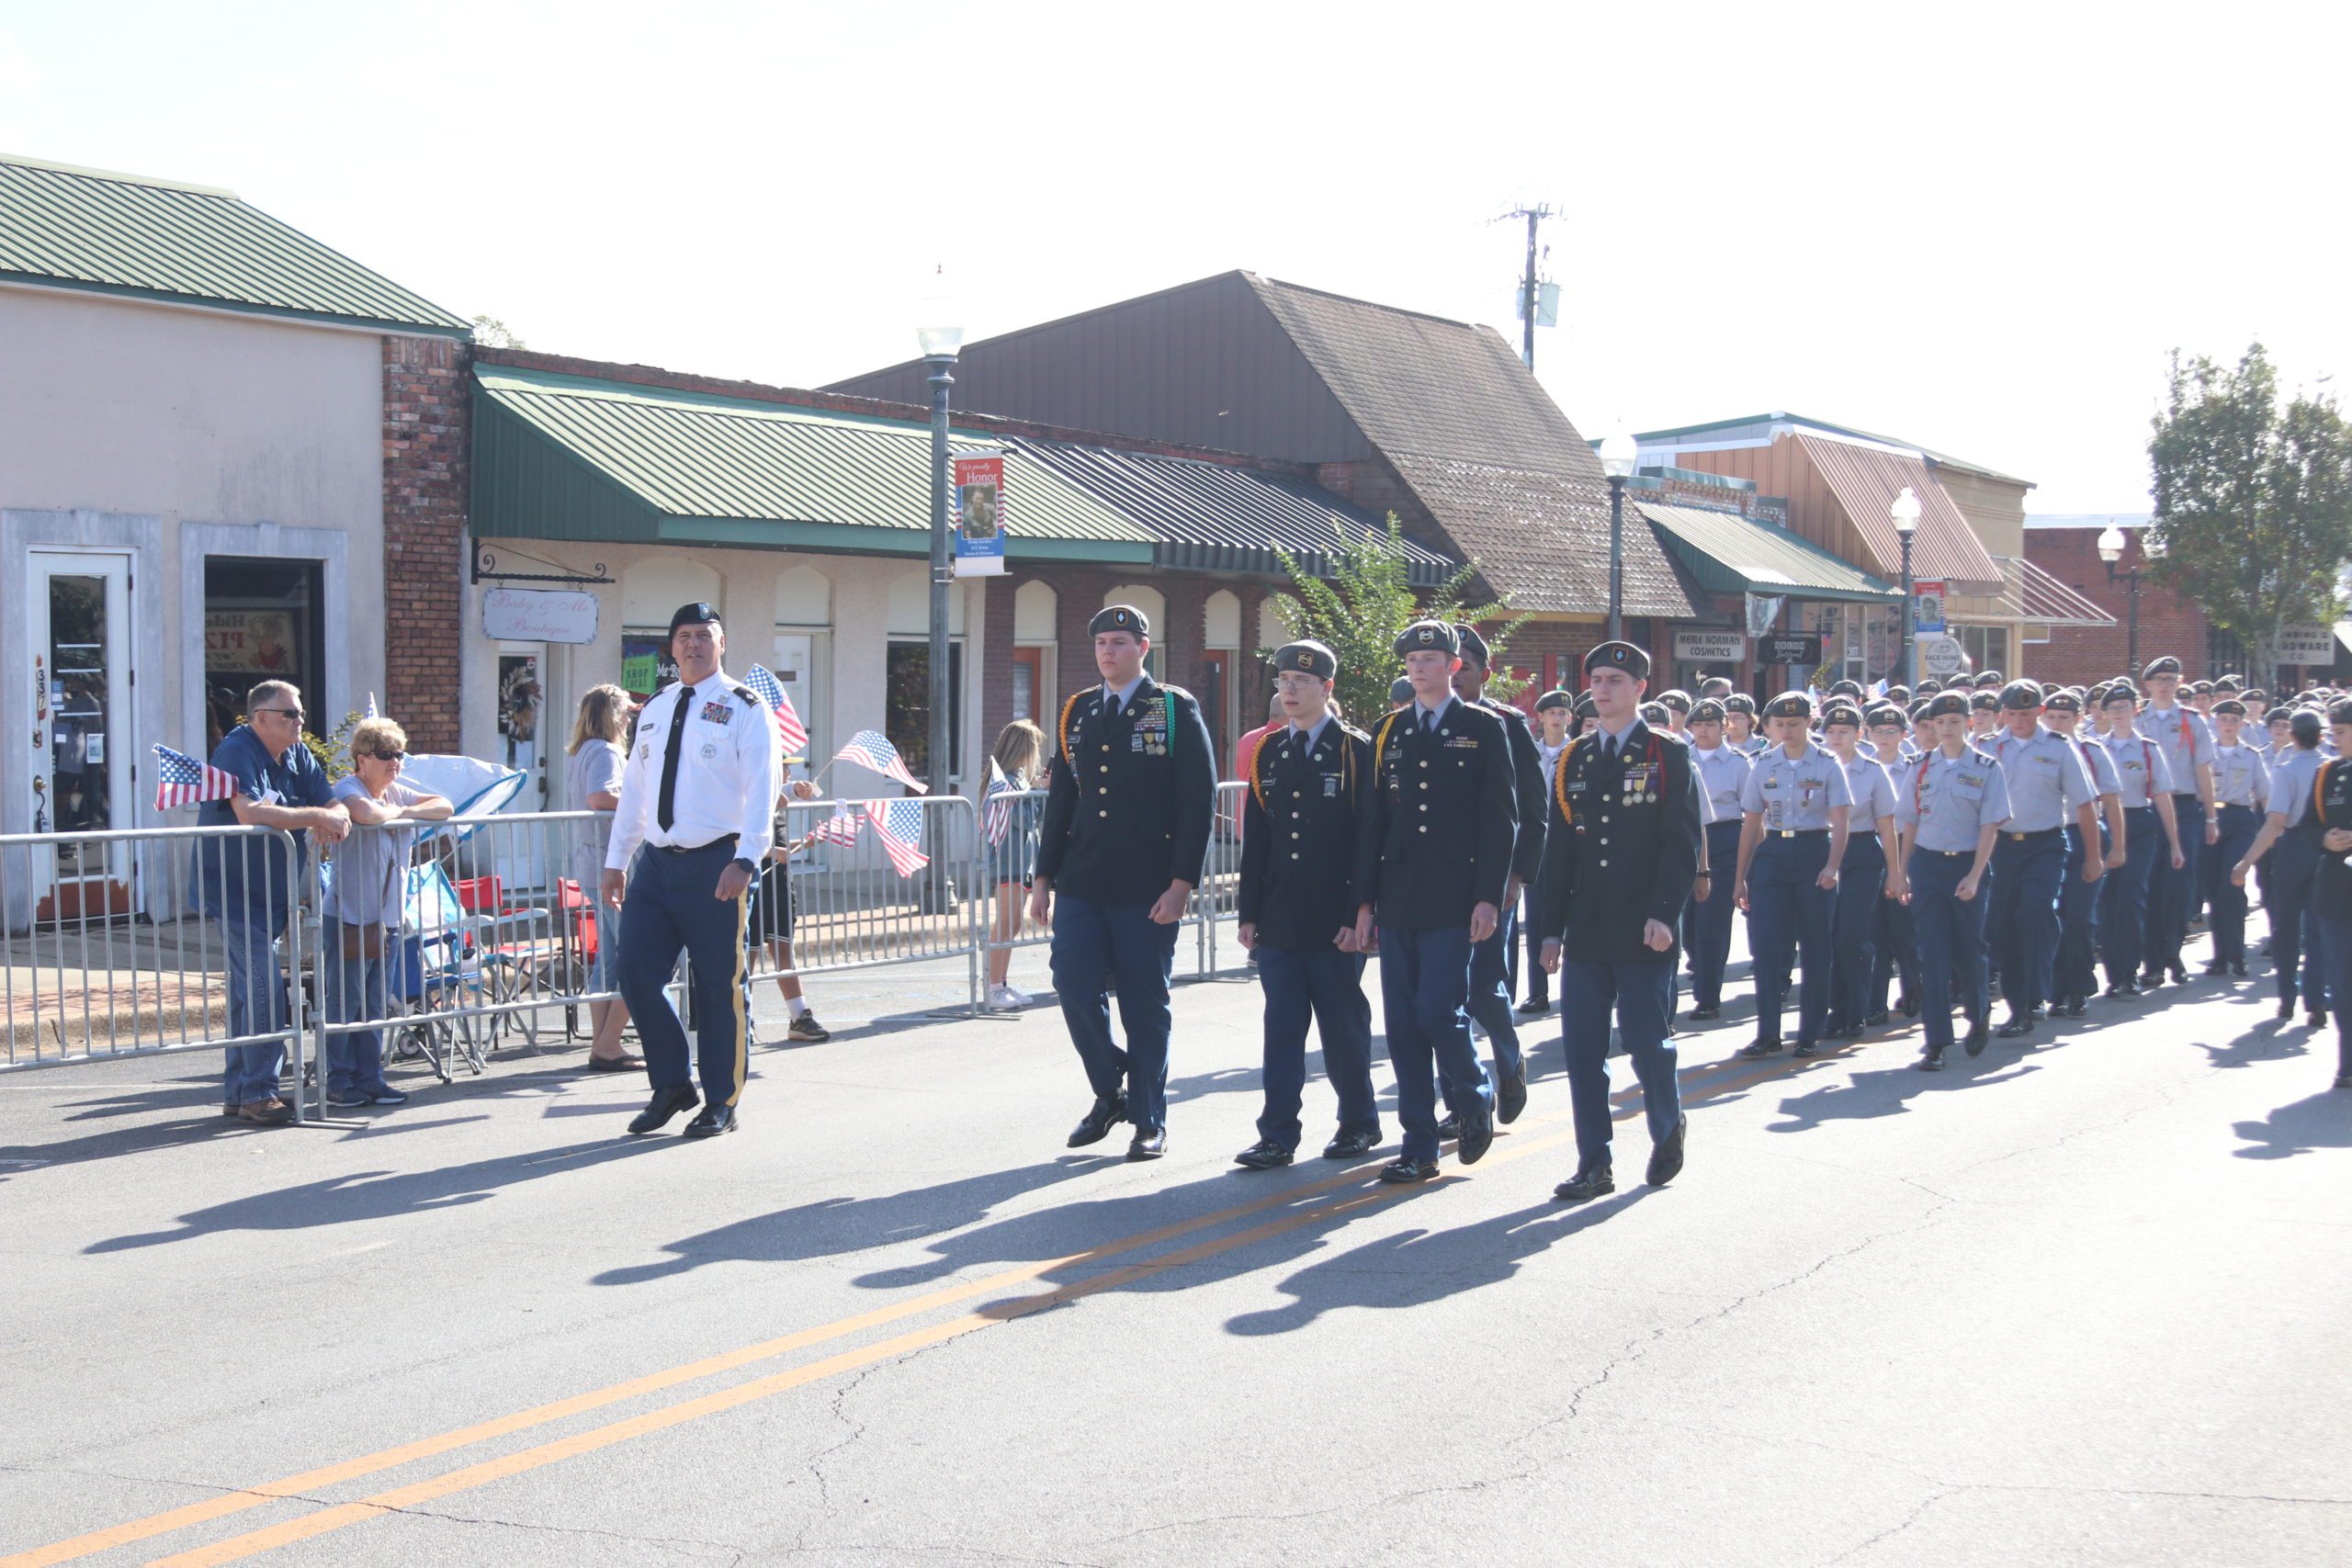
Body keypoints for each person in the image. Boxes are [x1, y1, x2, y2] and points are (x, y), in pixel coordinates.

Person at [1030, 604, 1216, 1160]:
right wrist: (1042, 878)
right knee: (1072, 983)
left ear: (1143, 647)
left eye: (1119, 642)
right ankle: (1112, 1089)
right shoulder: (1079, 710)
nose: (1108, 651)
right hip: (1083, 878)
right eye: (1101, 643)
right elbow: (1062, 800)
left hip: (1148, 882)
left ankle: (1148, 1118)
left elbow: (1197, 803)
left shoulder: (1174, 708)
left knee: (1143, 1003)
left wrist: (1183, 882)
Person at [602, 602, 784, 1139]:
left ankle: (721, 1100)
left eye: (704, 635)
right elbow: (635, 791)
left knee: (717, 987)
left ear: (722, 643)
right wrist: (617, 861)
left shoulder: (746, 707)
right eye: (684, 637)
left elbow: (762, 792)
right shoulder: (655, 706)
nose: (693, 645)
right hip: (656, 865)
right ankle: (672, 1084)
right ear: (672, 647)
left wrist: (746, 860)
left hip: (716, 863)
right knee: (635, 972)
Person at [1353, 620, 1514, 1184]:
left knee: (1437, 1014)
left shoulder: (1482, 727)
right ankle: (1419, 1145)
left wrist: (1489, 898)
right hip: (1399, 896)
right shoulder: (1390, 731)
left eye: (1432, 658)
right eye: (1413, 659)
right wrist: (1365, 904)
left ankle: (1473, 1096)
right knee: (1401, 1028)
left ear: (1454, 666)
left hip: (1455, 895)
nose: (1420, 667)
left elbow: (1500, 821)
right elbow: (1375, 823)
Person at [1539, 639, 1700, 1201]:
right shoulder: (1574, 759)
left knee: (1646, 1042)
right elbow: (1558, 851)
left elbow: (1681, 847)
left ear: (1639, 689)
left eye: (1614, 680)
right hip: (1587, 925)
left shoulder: (1666, 754)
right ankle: (1594, 1163)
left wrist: (1664, 915)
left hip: (1641, 925)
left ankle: (1667, 1124)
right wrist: (1550, 929)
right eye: (1596, 679)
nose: (1602, 690)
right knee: (1582, 1050)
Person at [1232, 640, 1380, 1168]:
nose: (1289, 690)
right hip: (1281, 914)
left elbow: (1368, 840)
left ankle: (1359, 1122)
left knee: (1342, 1027)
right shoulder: (1270, 750)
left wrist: (1358, 912)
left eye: (1301, 681)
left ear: (1327, 688)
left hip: (1333, 916)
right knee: (1283, 1029)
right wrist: (1249, 912)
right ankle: (1277, 1134)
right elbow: (1261, 838)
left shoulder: (1355, 750)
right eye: (1283, 681)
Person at [195, 680, 350, 1123]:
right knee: (264, 987)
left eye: (300, 713)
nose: (300, 721)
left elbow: (333, 800)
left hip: (273, 890)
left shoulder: (298, 753)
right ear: (260, 717)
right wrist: (318, 816)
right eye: (290, 714)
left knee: (250, 993)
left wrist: (333, 815)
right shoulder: (237, 748)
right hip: (235, 889)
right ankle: (258, 1092)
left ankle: (239, 1091)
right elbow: (250, 812)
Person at [323, 716, 453, 1107]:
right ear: (363, 760)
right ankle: (339, 1079)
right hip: (348, 916)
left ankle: (371, 1076)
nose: (395, 763)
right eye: (385, 755)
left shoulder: (395, 790)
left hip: (388, 920)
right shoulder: (348, 787)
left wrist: (400, 812)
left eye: (399, 755)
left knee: (375, 1004)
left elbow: (444, 805)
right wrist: (401, 814)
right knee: (344, 1003)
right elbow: (365, 814)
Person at [1449, 625, 1542, 1127]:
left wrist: (1517, 877)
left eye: (1463, 663)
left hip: (1492, 880)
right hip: (1439, 881)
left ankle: (1508, 1063)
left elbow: (1533, 809)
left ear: (1484, 672)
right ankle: (1461, 1101)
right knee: (1443, 994)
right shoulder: (1421, 721)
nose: (1455, 672)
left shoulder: (1506, 723)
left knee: (1484, 985)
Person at [1734, 692, 1852, 1059]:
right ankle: (1768, 1030)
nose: (1787, 730)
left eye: (1795, 724)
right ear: (1769, 725)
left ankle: (1810, 1031)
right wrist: (1739, 878)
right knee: (1767, 947)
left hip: (1814, 851)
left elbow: (1841, 821)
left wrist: (1832, 866)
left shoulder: (1827, 763)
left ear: (1809, 724)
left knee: (1816, 946)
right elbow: (1751, 823)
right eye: (1780, 724)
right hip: (1773, 856)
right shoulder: (1764, 763)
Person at [1983, 680, 2102, 1039]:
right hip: (2000, 847)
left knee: (2035, 912)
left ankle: (2034, 997)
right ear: (2002, 714)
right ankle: (2018, 1003)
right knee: (2004, 925)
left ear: (2038, 713)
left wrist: (2094, 858)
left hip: (2046, 844)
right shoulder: (1987, 748)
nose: (2019, 720)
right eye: (2012, 714)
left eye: (2026, 714)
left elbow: (2085, 804)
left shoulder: (2060, 748)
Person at [1895, 692, 2008, 1068]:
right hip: (1927, 865)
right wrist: (1902, 871)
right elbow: (1909, 821)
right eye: (1938, 723)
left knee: (1970, 950)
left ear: (1968, 723)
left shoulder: (1986, 767)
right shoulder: (1921, 766)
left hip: (1966, 864)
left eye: (1954, 722)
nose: (1945, 728)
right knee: (1933, 953)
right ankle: (1937, 1041)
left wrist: (1976, 875)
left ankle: (1978, 1015)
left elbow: (1990, 825)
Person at [2230, 705, 2327, 1022]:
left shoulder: (2285, 770)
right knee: (2317, 930)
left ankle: (2287, 997)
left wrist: (2246, 861)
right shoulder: (2332, 768)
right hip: (2325, 850)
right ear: (2321, 736)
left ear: (2293, 738)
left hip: (2292, 848)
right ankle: (2315, 1001)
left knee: (2285, 928)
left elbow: (2274, 823)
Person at [1818, 703, 1905, 1039]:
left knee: (1851, 936)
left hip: (1861, 854)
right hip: (1822, 851)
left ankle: (1855, 1010)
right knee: (1826, 937)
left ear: (1859, 735)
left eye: (1845, 732)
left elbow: (1887, 824)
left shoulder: (1871, 771)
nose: (1837, 737)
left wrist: (1895, 873)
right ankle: (1832, 1009)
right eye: (1832, 732)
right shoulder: (1816, 766)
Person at [566, 684, 640, 1070]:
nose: (629, 720)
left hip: (595, 861)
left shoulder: (583, 750)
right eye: (626, 712)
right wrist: (645, 805)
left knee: (610, 956)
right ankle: (607, 1043)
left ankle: (602, 1041)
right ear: (612, 715)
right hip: (610, 863)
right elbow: (600, 797)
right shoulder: (606, 751)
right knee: (638, 952)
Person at [2094, 683, 2184, 998]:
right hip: (2104, 826)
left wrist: (2174, 843)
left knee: (2130, 898)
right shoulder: (2095, 748)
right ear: (2104, 714)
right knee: (2106, 903)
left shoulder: (2148, 749)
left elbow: (2161, 796)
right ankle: (2114, 973)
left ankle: (2130, 971)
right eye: (2113, 708)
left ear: (2135, 710)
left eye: (2124, 707)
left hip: (2140, 826)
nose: (2119, 713)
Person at [2135, 656, 2220, 988]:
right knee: (2150, 885)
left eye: (2171, 679)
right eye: (2160, 679)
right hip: (2146, 808)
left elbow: (2202, 770)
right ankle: (2154, 962)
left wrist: (2212, 816)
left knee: (2178, 885)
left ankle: (2173, 949)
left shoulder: (2191, 721)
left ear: (2179, 683)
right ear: (2148, 684)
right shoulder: (2138, 720)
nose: (2166, 684)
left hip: (2184, 806)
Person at [2042, 689, 2124, 1017]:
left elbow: (2112, 800)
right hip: (2047, 839)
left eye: (2066, 718)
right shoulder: (2036, 751)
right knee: (2051, 917)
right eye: (2052, 717)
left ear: (2079, 720)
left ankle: (2078, 987)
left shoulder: (2092, 752)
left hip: (2085, 837)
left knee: (2078, 918)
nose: (2058, 723)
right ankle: (2054, 988)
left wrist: (2117, 846)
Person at [2289, 700, 2352, 1089]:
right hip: (2336, 889)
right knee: (2343, 980)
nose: (2332, 737)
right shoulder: (2328, 772)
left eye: (2341, 731)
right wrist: (2323, 838)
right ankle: (2347, 1062)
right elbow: (2307, 826)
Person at [1681, 698, 1751, 1021]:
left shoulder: (1739, 763)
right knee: (1688, 927)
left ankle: (1708, 996)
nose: (1704, 730)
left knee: (1713, 923)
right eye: (1698, 725)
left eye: (1711, 724)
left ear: (1724, 727)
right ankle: (1699, 966)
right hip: (1687, 838)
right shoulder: (1681, 757)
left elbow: (1751, 813)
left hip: (1724, 839)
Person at [748, 773, 831, 1041]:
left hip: (779, 881)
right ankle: (741, 1016)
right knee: (749, 951)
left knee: (783, 946)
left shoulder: (776, 797)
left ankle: (799, 1016)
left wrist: (806, 843)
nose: (788, 773)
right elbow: (737, 839)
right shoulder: (750, 792)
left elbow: (781, 845)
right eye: (783, 766)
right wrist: (772, 853)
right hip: (750, 879)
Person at [983, 719, 1048, 1010]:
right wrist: (1035, 792)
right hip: (1009, 859)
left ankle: (1001, 982)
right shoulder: (1004, 780)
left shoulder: (1017, 779)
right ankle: (993, 986)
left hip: (1022, 860)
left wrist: (1036, 790)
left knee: (1013, 926)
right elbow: (1019, 820)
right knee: (1006, 923)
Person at [2203, 698, 2269, 977]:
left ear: (2242, 724)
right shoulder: (2205, 754)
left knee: (2232, 884)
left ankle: (2237, 954)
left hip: (2240, 819)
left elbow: (2264, 795)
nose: (2229, 725)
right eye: (2224, 720)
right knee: (2215, 891)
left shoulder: (2252, 755)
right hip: (2210, 818)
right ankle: (2219, 956)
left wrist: (2273, 828)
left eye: (2234, 720)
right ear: (2216, 722)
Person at [1519, 689, 1576, 1017]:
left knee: (1574, 919)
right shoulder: (1530, 754)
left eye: (1563, 713)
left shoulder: (1579, 752)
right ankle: (1537, 991)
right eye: (1551, 712)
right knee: (1538, 921)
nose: (1557, 718)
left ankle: (1578, 989)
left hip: (1569, 844)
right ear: (1540, 717)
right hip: (1539, 847)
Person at [1865, 705, 1923, 1023]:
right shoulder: (1860, 766)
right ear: (1868, 734)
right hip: (1868, 849)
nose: (1885, 737)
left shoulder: (1914, 768)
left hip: (1905, 847)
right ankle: (1875, 1001)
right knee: (1875, 930)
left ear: (1904, 734)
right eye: (1878, 731)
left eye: (1892, 731)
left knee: (1904, 928)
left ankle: (1913, 988)